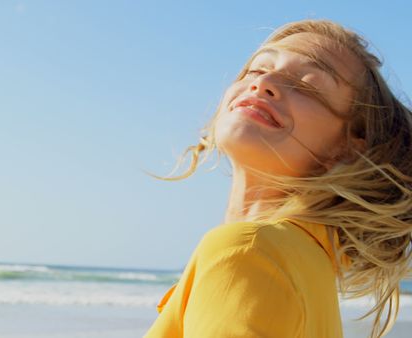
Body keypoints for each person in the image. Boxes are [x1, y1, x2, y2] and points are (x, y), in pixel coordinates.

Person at [144, 19, 412, 338]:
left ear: (348, 148)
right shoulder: (307, 266)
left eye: (307, 85)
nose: (264, 82)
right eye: (257, 70)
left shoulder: (250, 251)